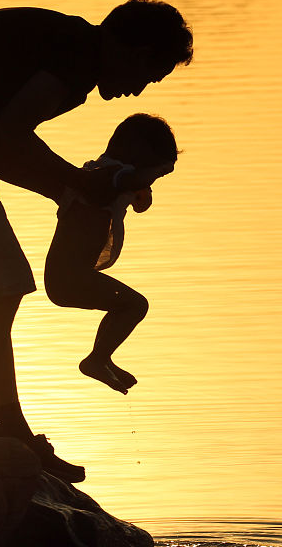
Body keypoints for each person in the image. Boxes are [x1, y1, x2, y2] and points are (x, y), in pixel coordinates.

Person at [0, 0, 192, 483]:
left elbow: (1, 149)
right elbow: (5, 142)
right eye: (148, 74)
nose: (138, 91)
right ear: (133, 49)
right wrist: (76, 184)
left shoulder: (74, 52)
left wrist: (70, 192)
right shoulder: (72, 65)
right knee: (0, 284)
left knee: (0, 284)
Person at [44, 113, 177, 395]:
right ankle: (97, 358)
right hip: (70, 277)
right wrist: (152, 173)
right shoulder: (109, 175)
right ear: (139, 158)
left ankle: (101, 358)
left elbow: (135, 195)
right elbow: (128, 179)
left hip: (69, 276)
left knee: (125, 306)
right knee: (135, 305)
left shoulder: (105, 175)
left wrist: (142, 190)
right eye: (157, 172)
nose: (154, 179)